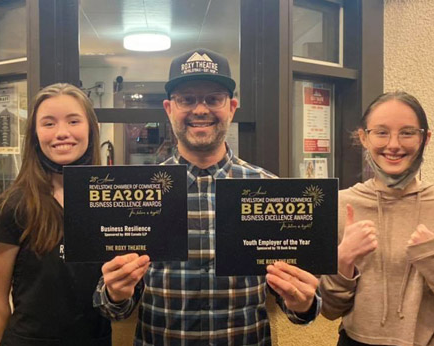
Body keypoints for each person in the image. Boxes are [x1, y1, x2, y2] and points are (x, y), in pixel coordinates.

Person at [94, 48, 321, 345]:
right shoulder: (138, 194)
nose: (200, 110)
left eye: (213, 99)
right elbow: (113, 305)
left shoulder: (268, 189)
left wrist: (302, 302)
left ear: (232, 107)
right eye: (186, 99)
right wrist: (115, 293)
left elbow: (298, 304)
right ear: (168, 108)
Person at [319, 91, 434, 345]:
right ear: (364, 137)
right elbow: (329, 310)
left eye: (407, 133)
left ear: (425, 138)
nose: (393, 144)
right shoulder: (339, 207)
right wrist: (343, 259)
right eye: (381, 132)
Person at [0, 83, 111, 345]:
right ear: (34, 134)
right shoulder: (12, 205)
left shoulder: (111, 201)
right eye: (49, 123)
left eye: (74, 121)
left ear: (91, 128)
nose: (62, 133)